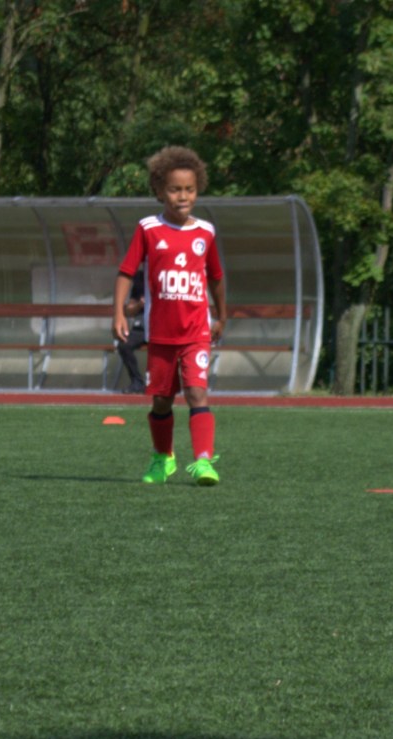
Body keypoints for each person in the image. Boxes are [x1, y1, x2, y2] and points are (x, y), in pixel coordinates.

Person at [114, 145, 226, 485]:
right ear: (160, 190)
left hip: (196, 331)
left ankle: (204, 462)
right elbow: (126, 271)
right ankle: (163, 458)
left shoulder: (205, 232)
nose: (183, 196)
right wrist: (118, 313)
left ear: (197, 189)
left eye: (189, 189)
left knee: (196, 393)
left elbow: (216, 277)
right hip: (160, 333)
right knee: (162, 400)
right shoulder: (148, 228)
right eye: (175, 189)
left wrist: (222, 316)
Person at [112, 269, 147, 394]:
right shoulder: (140, 278)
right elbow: (129, 311)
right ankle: (137, 382)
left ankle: (164, 384)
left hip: (162, 328)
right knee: (124, 345)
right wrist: (139, 305)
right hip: (142, 328)